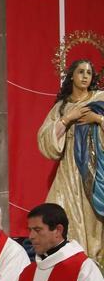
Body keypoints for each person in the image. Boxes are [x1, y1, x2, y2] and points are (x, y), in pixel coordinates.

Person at [38, 59, 104, 263]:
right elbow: (44, 138)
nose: (85, 76)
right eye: (81, 72)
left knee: (92, 221)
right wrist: (67, 118)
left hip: (94, 170)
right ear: (72, 76)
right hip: (68, 170)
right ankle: (66, 262)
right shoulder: (61, 107)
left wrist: (98, 119)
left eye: (89, 73)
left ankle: (94, 261)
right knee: (57, 211)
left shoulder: (100, 98)